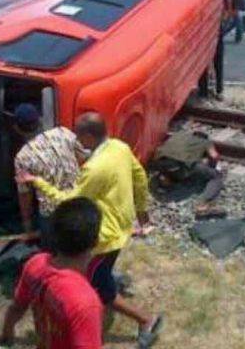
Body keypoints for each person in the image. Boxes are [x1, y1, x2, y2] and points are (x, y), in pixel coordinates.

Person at [18, 112, 164, 348]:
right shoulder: (119, 147)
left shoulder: (94, 168)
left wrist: (37, 182)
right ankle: (105, 277)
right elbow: (139, 176)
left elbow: (69, 201)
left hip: (103, 237)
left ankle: (146, 320)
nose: (76, 138)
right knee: (100, 273)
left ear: (88, 135)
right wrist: (141, 209)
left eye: (78, 134)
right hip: (123, 225)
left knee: (100, 287)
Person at [0, 197, 104, 348]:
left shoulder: (35, 264)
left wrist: (6, 334)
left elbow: (17, 306)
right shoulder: (85, 304)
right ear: (95, 241)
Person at [12, 103, 82, 245]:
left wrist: (28, 228)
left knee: (54, 256)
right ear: (40, 120)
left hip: (53, 214)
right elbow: (83, 158)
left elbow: (25, 196)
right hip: (79, 203)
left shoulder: (23, 157)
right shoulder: (63, 132)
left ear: (17, 129)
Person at [152, 130, 226, 219]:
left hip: (159, 163)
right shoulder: (206, 141)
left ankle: (165, 180)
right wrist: (211, 167)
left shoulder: (179, 134)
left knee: (171, 167)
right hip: (180, 165)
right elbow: (214, 156)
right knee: (216, 176)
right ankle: (203, 206)